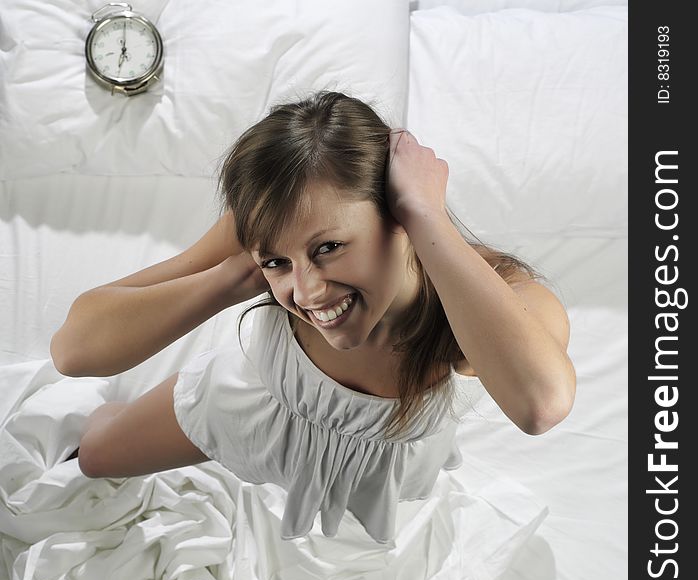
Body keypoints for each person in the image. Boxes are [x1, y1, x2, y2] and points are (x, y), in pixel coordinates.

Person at [51, 90, 575, 549]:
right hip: (251, 408)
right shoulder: (278, 224)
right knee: (95, 456)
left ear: (397, 217)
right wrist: (240, 274)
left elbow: (542, 405)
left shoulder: (487, 293)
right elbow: (74, 351)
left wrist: (426, 213)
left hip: (373, 475)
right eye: (277, 259)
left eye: (329, 247)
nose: (305, 293)